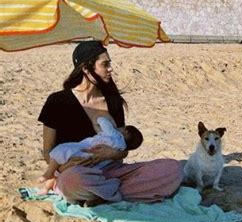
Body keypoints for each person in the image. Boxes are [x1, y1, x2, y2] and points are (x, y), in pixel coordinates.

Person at [38, 40, 183, 205]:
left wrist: (108, 154)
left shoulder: (113, 101)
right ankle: (107, 192)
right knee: (71, 181)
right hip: (75, 172)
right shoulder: (58, 101)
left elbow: (122, 149)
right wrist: (62, 167)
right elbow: (48, 151)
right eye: (105, 64)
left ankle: (100, 194)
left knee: (173, 169)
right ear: (86, 68)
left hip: (111, 171)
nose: (110, 69)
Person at [38, 112, 143, 196]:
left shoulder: (115, 135)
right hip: (90, 163)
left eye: (121, 128)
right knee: (68, 173)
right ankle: (50, 183)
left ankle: (49, 175)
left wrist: (100, 118)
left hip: (85, 150)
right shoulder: (121, 146)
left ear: (125, 132)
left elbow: (105, 124)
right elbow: (122, 153)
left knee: (61, 150)